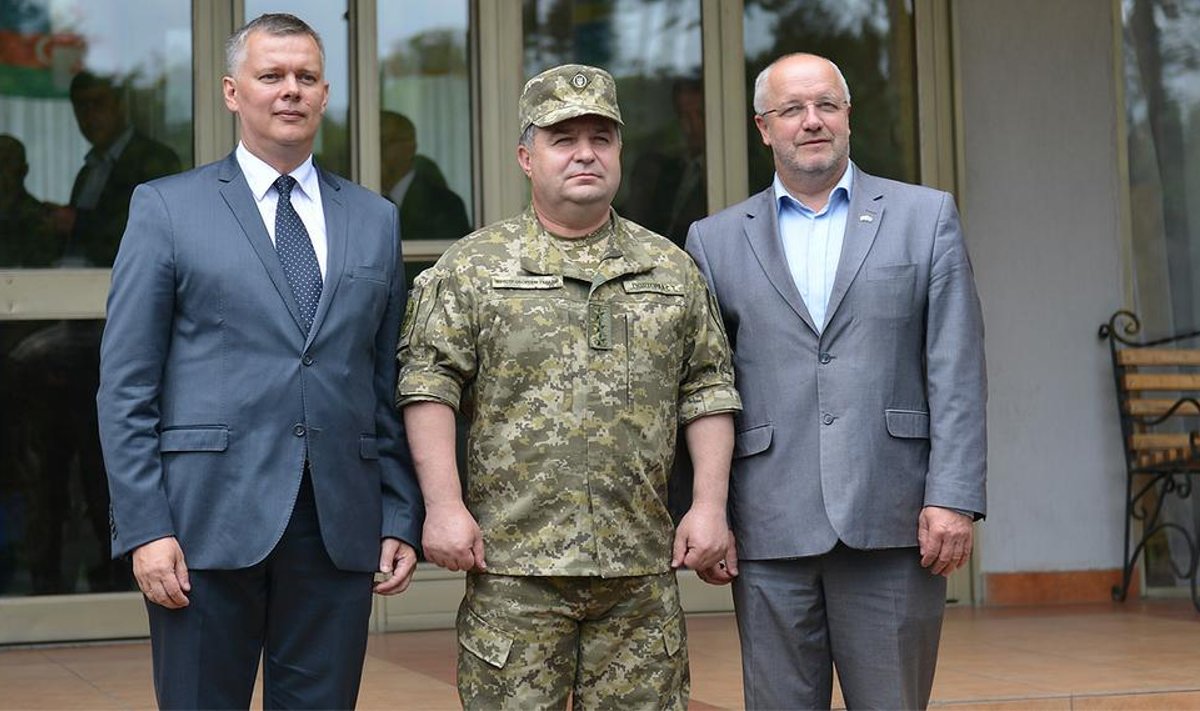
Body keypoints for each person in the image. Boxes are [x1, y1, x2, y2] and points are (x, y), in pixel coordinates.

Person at [96, 13, 422, 708]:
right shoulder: (166, 207)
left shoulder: (373, 218)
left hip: (337, 521)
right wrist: (146, 525)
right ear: (231, 92)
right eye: (271, 76)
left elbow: (384, 381)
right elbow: (126, 385)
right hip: (203, 522)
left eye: (305, 77)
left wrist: (399, 514)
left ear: (326, 94)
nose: (290, 91)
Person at [397, 64, 742, 710]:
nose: (585, 152)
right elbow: (428, 385)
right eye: (564, 137)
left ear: (618, 151)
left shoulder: (669, 269)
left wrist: (710, 506)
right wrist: (443, 505)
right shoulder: (473, 269)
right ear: (527, 156)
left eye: (600, 137)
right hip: (513, 573)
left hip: (638, 575)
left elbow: (708, 388)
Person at [685, 52, 986, 710]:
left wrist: (954, 496)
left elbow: (956, 366)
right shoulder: (712, 242)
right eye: (792, 109)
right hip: (768, 523)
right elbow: (703, 387)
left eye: (826, 105)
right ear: (764, 127)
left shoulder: (925, 216)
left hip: (896, 516)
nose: (811, 121)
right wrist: (709, 508)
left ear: (849, 116)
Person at [57, 70, 180, 267]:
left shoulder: (154, 159)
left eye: (98, 104)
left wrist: (76, 223)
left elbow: (154, 233)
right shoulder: (88, 171)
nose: (89, 116)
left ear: (120, 104)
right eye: (81, 107)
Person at [380, 110, 471, 241]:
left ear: (410, 147)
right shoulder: (364, 202)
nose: (378, 151)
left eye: (385, 142)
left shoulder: (445, 205)